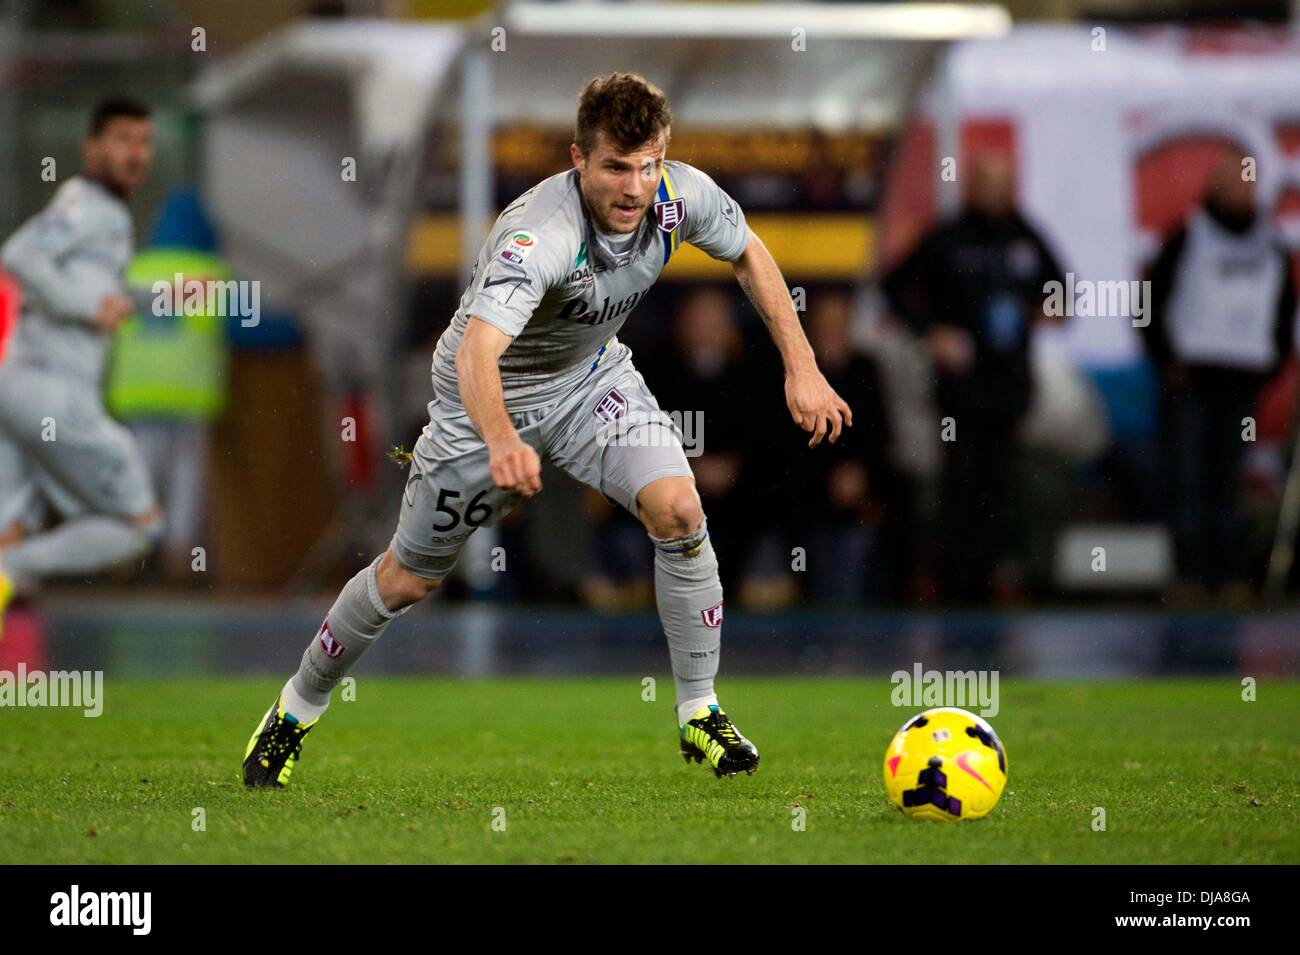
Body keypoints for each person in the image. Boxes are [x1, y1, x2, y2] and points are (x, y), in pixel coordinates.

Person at [242, 73, 852, 786]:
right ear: (578, 160)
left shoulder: (679, 194)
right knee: (407, 579)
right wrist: (502, 440)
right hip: (485, 402)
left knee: (680, 510)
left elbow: (748, 251)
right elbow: (477, 351)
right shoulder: (540, 234)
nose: (634, 187)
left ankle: (700, 711)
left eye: (648, 164)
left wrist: (801, 366)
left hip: (592, 382)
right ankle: (294, 707)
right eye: (615, 168)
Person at [0, 97, 162, 640]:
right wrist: (87, 308)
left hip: (19, 390)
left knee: (10, 529)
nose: (136, 153)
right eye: (122, 140)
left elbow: (100, 293)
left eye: (143, 141)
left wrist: (156, 295)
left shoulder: (105, 214)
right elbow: (20, 255)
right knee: (139, 526)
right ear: (91, 148)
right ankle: (11, 569)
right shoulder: (87, 202)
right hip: (52, 392)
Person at [882, 151, 1066, 602]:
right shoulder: (949, 236)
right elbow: (894, 286)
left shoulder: (1025, 235)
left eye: (1003, 182)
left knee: (1003, 489)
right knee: (960, 487)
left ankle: (992, 582)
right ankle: (955, 587)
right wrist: (932, 333)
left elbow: (1061, 288)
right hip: (961, 393)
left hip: (1009, 389)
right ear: (971, 185)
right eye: (986, 182)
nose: (995, 192)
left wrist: (1044, 311)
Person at [1141, 145, 1296, 598]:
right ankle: (1188, 576)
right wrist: (1165, 359)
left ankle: (1227, 576)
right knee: (1187, 480)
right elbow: (1149, 302)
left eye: (1245, 180)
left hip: (1241, 382)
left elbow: (1283, 312)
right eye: (1229, 179)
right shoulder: (1187, 236)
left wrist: (1272, 364)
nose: (1238, 189)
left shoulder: (1271, 245)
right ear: (1213, 184)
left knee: (1230, 483)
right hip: (1190, 380)